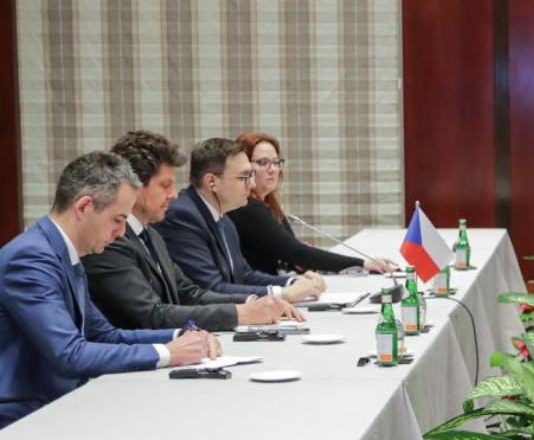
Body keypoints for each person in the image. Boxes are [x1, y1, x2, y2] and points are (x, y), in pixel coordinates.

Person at [0, 152, 217, 429]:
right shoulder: (30, 258)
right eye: (118, 219)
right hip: (22, 416)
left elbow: (105, 334)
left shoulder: (63, 253)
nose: (121, 232)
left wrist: (183, 335)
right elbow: (70, 354)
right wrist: (168, 352)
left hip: (58, 402)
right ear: (84, 207)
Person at [83, 131, 304, 331]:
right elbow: (151, 315)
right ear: (135, 187)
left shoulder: (151, 235)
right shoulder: (111, 241)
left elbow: (190, 294)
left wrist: (252, 303)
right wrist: (240, 313)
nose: (173, 194)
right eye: (165, 185)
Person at [155, 138, 325, 301]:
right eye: (244, 177)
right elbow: (210, 288)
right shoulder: (182, 217)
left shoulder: (224, 219)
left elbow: (243, 275)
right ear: (212, 182)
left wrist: (292, 282)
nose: (251, 185)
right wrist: (282, 293)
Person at [227, 132, 396, 275]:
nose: (272, 169)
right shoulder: (249, 208)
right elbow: (296, 252)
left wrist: (297, 264)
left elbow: (286, 253)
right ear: (245, 167)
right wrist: (363, 263)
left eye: (276, 162)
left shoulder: (268, 204)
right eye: (263, 162)